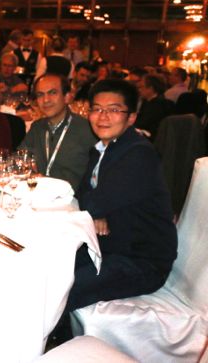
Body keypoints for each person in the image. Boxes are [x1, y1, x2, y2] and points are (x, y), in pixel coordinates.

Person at [65, 79, 177, 314]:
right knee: (49, 267)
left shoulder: (139, 154)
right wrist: (98, 211)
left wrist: (98, 208)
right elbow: (83, 192)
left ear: (132, 117)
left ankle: (57, 333)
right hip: (110, 245)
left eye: (114, 110)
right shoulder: (102, 149)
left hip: (142, 261)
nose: (103, 116)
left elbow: (92, 201)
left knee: (61, 287)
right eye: (97, 109)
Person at [20, 73, 96, 191]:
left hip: (73, 199)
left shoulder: (87, 130)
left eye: (53, 93)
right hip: (38, 194)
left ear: (67, 97)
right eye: (40, 95)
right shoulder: (37, 127)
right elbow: (20, 158)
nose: (46, 100)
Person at [135, 73, 174, 139]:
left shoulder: (158, 105)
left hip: (149, 138)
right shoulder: (147, 101)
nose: (139, 90)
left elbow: (143, 124)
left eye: (142, 87)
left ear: (151, 88)